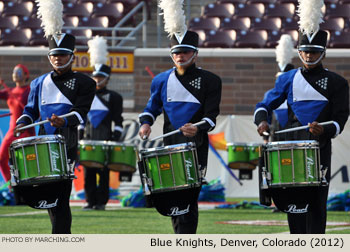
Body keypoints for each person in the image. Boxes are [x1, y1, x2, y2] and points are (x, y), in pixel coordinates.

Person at [254, 26, 349, 233]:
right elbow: (263, 105)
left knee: (316, 204)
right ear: (299, 52)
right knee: (294, 204)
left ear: (323, 52)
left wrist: (323, 130)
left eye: (314, 51)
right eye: (305, 51)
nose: (309, 55)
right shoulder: (287, 79)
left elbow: (340, 119)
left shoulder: (337, 83)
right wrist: (262, 121)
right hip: (291, 148)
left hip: (319, 148)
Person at [13, 28, 96, 234]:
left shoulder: (85, 82)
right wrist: (22, 122)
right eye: (54, 55)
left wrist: (63, 121)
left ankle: (60, 238)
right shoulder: (38, 82)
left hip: (66, 143)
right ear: (49, 57)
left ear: (72, 56)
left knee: (60, 197)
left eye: (62, 55)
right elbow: (30, 110)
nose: (58, 59)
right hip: (42, 142)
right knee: (50, 198)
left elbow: (80, 113)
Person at [138, 30, 222, 234]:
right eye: (176, 52)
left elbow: (212, 116)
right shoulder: (160, 80)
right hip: (170, 146)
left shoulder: (210, 80)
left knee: (189, 197)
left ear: (195, 53)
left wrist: (197, 127)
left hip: (196, 146)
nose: (180, 56)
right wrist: (146, 123)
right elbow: (151, 108)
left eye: (185, 52)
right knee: (172, 195)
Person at [79, 36, 123, 211]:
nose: (97, 80)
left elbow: (118, 119)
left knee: (103, 172)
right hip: (89, 138)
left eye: (101, 77)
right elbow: (82, 118)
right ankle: (90, 201)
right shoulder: (85, 95)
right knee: (89, 171)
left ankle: (101, 202)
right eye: (95, 77)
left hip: (105, 138)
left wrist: (116, 134)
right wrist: (80, 134)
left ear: (107, 78)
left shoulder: (114, 97)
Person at [0, 65, 35, 183]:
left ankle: (29, 185)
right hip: (12, 131)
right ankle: (11, 186)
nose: (15, 73)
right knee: (1, 158)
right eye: (14, 71)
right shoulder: (9, 91)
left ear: (26, 75)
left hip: (26, 130)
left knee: (27, 160)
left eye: (19, 71)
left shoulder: (30, 90)